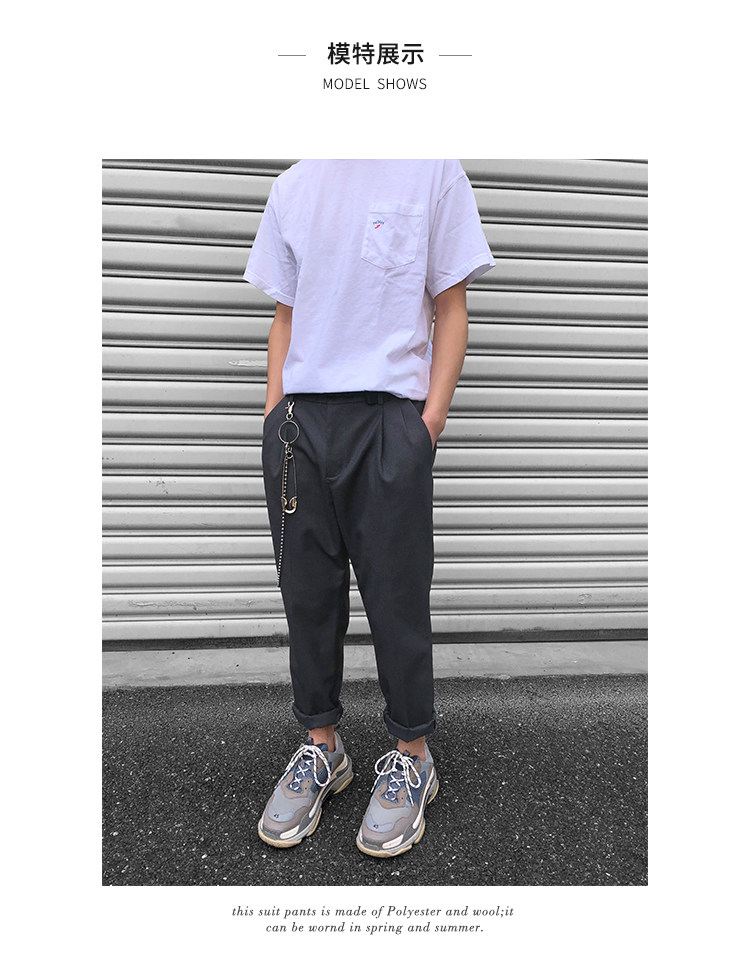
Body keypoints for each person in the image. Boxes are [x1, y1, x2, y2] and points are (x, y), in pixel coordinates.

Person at [242, 159, 495, 857]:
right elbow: (286, 314)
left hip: (388, 422)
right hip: (300, 426)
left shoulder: (432, 170)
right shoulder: (294, 185)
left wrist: (426, 427)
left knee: (397, 599)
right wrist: (274, 413)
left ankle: (412, 756)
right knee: (308, 598)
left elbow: (450, 306)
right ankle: (322, 746)